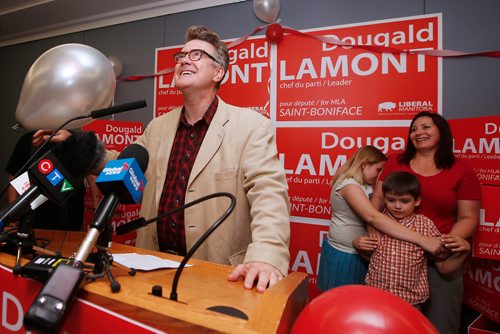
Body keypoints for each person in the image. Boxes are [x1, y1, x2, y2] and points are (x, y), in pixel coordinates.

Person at [34, 25, 290, 292]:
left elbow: (268, 193)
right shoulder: (157, 127)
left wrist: (266, 255)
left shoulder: (251, 126)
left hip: (215, 273)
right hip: (154, 266)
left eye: (197, 55)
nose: (184, 61)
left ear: (218, 72)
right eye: (181, 56)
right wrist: (76, 144)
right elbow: (122, 166)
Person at [371, 112, 481, 333]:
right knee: (390, 323)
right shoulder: (396, 161)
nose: (418, 132)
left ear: (442, 131)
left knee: (440, 325)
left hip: (439, 257)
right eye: (414, 129)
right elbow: (377, 201)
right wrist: (371, 229)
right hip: (395, 255)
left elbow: (469, 217)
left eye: (426, 127)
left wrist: (444, 244)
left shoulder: (462, 170)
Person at [317, 146, 443, 292]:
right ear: (365, 164)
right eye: (378, 170)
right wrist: (422, 239)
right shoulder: (349, 185)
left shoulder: (363, 185)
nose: (378, 176)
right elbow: (372, 216)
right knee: (340, 302)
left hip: (359, 253)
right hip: (345, 254)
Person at [360, 171, 470, 309]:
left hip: (409, 303)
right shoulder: (379, 221)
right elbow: (368, 255)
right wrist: (358, 245)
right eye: (391, 200)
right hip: (376, 297)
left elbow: (443, 265)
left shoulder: (425, 225)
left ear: (417, 201)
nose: (397, 206)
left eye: (404, 201)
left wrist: (464, 250)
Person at [5, 130, 85, 231]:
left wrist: (96, 210)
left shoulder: (73, 138)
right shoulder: (28, 140)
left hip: (70, 215)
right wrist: (12, 214)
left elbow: (91, 175)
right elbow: (14, 177)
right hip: (34, 216)